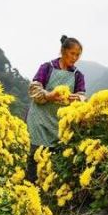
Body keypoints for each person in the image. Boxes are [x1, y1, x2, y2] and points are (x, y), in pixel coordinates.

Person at [26, 35, 86, 182]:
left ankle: (47, 195)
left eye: (77, 55)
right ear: (63, 51)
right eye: (72, 53)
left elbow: (83, 97)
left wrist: (76, 98)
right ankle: (29, 190)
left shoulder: (77, 75)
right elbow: (34, 89)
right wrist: (49, 95)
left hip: (59, 124)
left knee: (54, 160)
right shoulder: (47, 67)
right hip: (39, 119)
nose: (75, 58)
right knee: (35, 156)